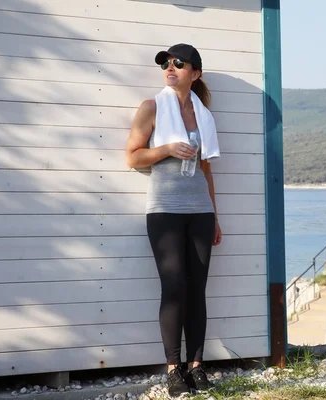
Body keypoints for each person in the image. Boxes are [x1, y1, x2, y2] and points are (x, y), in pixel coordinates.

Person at [124, 43, 223, 397]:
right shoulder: (151, 106)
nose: (170, 68)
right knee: (174, 288)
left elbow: (207, 168)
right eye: (167, 63)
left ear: (194, 74)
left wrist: (215, 215)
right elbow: (132, 157)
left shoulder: (203, 114)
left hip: (200, 211)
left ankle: (197, 366)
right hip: (164, 210)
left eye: (179, 64)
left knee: (197, 288)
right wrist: (166, 149)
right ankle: (173, 368)